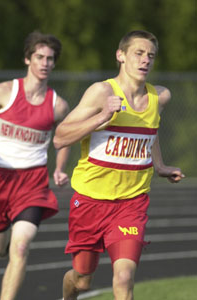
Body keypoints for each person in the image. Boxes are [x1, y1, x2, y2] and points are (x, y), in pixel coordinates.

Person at [53, 30, 185, 300]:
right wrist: (103, 116)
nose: (145, 60)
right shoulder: (102, 92)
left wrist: (158, 166)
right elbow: (59, 138)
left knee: (124, 277)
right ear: (120, 55)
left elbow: (151, 130)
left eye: (150, 55)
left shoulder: (159, 97)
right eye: (138, 53)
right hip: (90, 201)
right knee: (81, 281)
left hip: (130, 204)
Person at [0, 31, 70, 300]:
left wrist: (59, 168)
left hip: (33, 183)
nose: (45, 63)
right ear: (27, 59)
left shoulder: (58, 105)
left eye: (50, 59)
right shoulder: (4, 92)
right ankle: (3, 240)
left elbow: (64, 139)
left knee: (20, 249)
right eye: (40, 57)